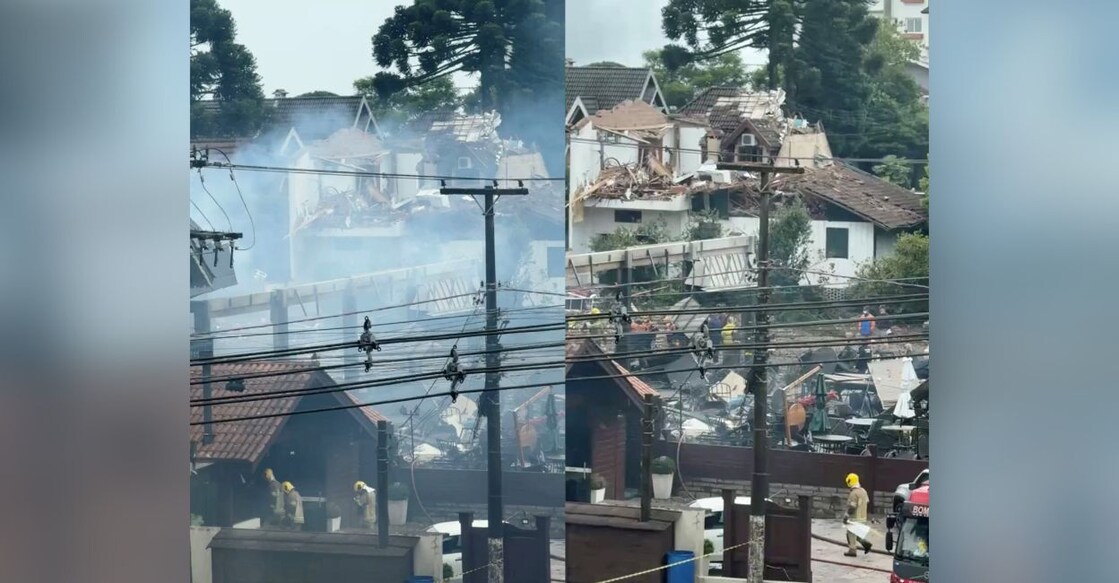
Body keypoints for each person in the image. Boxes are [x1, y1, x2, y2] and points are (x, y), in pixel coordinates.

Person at [843, 473, 873, 557]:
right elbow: (866, 502)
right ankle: (866, 544)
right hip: (862, 516)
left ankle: (852, 550)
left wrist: (846, 515)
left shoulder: (853, 493)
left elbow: (852, 507)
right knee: (857, 532)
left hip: (854, 517)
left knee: (850, 533)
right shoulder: (863, 491)